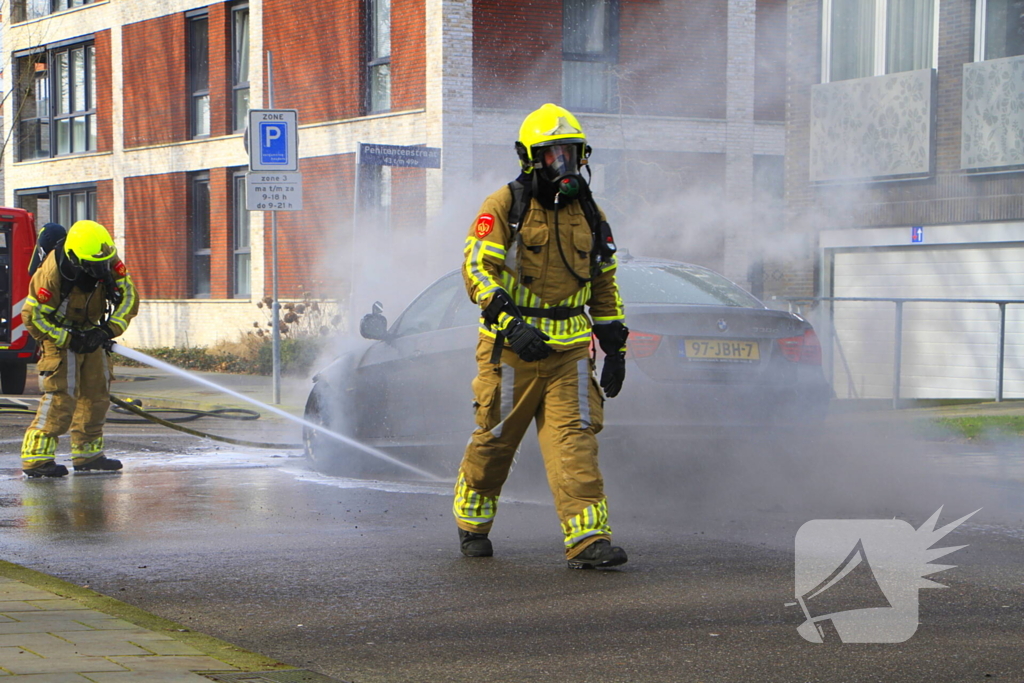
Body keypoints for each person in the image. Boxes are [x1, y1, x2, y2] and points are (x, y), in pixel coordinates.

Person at [452, 103, 630, 569]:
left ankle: (589, 539)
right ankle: (472, 520)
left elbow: (605, 280)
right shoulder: (504, 205)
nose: (564, 165)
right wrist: (510, 323)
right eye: (553, 156)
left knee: (575, 442)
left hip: (569, 353)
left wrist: (615, 346)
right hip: (510, 350)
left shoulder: (591, 213)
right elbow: (476, 270)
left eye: (570, 154)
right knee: (495, 442)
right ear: (530, 158)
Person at [20, 220, 139, 478]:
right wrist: (67, 339)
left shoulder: (105, 257)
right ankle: (37, 459)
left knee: (97, 395)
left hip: (91, 331)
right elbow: (32, 316)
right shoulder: (52, 273)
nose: (100, 270)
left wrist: (105, 331)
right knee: (61, 398)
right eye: (94, 265)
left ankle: (88, 456)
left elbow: (128, 295)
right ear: (75, 258)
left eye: (103, 263)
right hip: (59, 335)